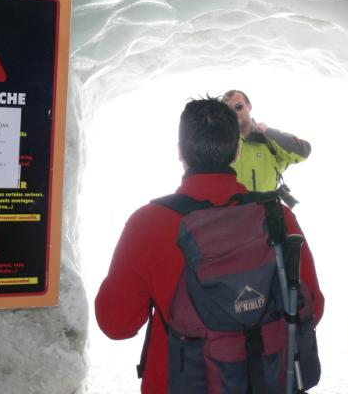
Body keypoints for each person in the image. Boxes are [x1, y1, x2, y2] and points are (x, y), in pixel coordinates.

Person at [95, 97, 324, 394]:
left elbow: (117, 324)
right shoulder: (279, 217)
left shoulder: (148, 224)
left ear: (180, 152)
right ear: (237, 149)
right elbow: (312, 309)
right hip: (266, 382)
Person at [222, 89, 311, 197]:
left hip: (263, 211)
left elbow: (302, 151)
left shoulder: (270, 140)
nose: (234, 113)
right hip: (230, 212)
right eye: (228, 110)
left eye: (238, 107)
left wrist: (269, 131)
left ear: (249, 107)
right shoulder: (219, 143)